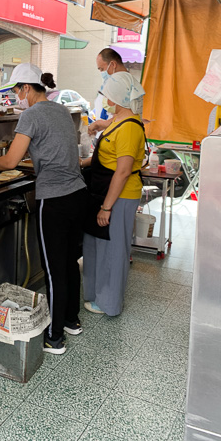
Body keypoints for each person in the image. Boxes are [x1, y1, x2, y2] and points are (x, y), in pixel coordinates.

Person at [0, 62, 86, 355]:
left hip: (54, 199)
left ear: (27, 88)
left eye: (17, 90)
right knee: (69, 263)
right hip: (77, 194)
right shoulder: (62, 110)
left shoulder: (31, 114)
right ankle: (71, 320)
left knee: (54, 270)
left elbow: (9, 162)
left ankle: (54, 339)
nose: (17, 96)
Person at [81, 72, 146, 316]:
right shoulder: (118, 120)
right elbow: (107, 153)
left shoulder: (129, 127)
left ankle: (109, 303)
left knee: (113, 250)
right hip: (105, 191)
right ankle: (97, 293)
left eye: (109, 96)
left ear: (118, 98)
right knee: (99, 246)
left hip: (119, 196)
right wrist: (84, 162)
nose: (106, 100)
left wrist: (106, 207)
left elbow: (123, 171)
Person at [88, 48, 145, 134]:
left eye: (102, 69)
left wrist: (101, 123)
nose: (101, 73)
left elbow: (126, 117)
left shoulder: (123, 84)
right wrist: (102, 124)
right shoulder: (120, 82)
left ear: (113, 64)